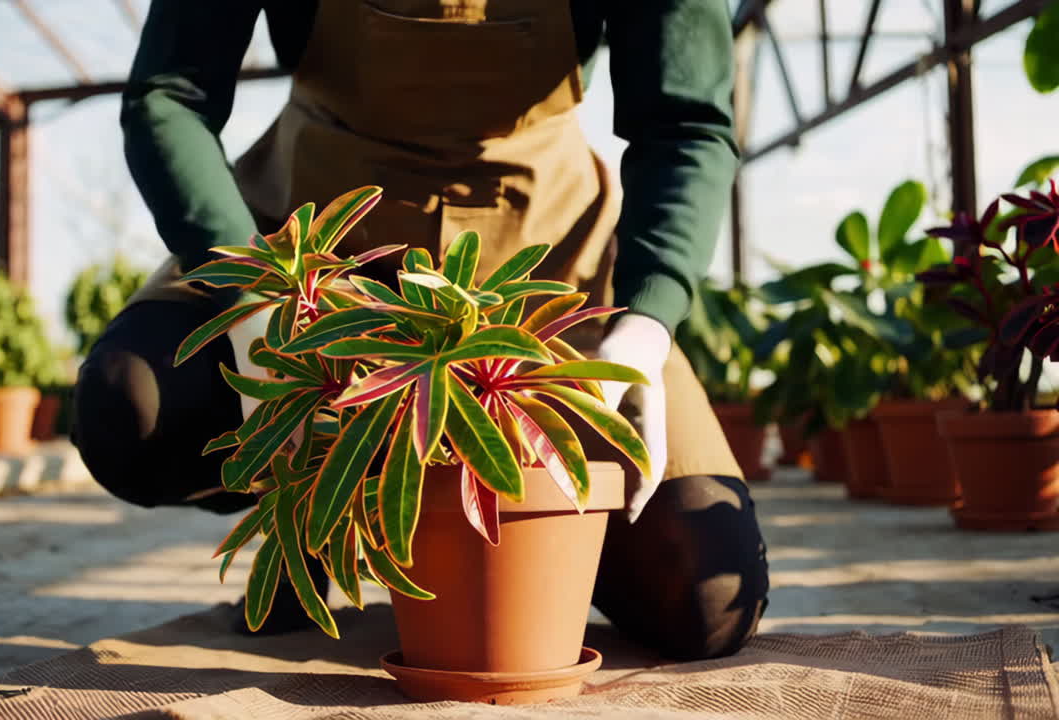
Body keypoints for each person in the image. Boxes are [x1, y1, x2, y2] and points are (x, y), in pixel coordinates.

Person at [72, 1, 769, 661]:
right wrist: (259, 301)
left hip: (547, 271)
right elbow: (170, 96)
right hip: (310, 249)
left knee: (704, 595)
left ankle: (494, 538)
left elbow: (685, 125)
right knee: (130, 408)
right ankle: (319, 500)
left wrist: (645, 323)